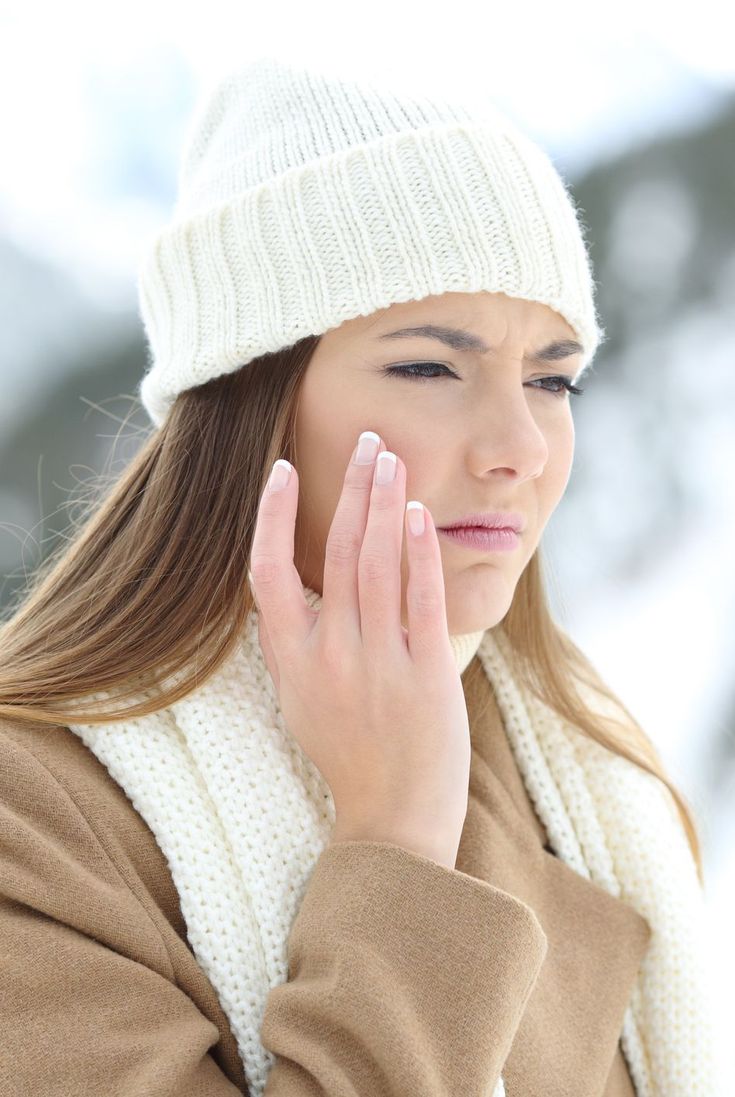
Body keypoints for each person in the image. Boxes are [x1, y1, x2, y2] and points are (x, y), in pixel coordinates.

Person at [0, 56, 716, 1096]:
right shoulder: (39, 817)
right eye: (429, 366)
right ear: (249, 403)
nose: (520, 444)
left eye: (554, 376)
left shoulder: (583, 776)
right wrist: (397, 844)